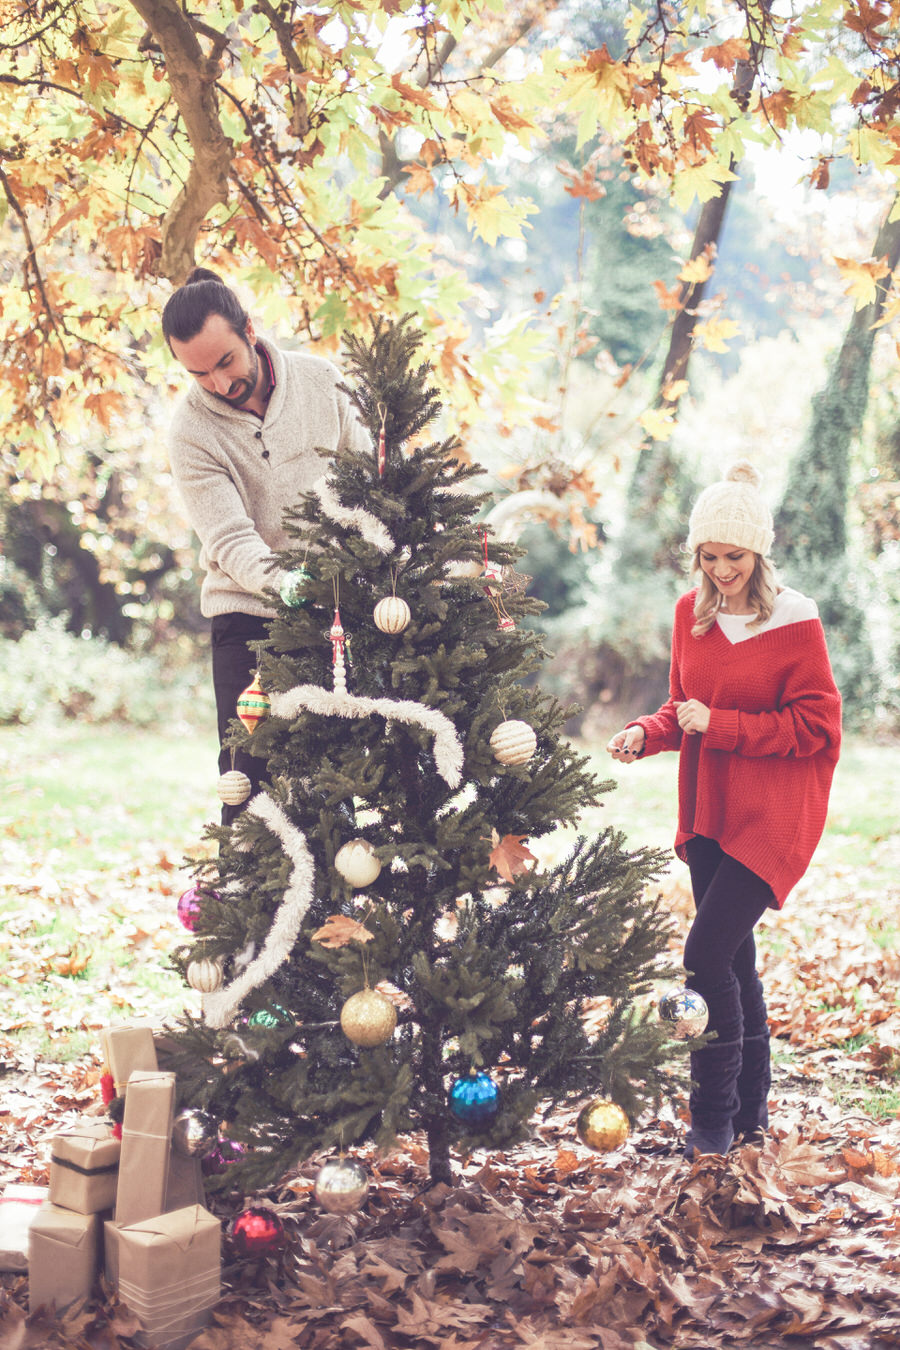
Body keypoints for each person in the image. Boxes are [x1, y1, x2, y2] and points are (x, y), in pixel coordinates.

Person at [607, 461, 842, 1158]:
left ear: (759, 553)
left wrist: (726, 724)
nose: (719, 569)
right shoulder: (691, 613)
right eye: (707, 557)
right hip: (709, 809)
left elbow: (818, 728)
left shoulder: (795, 621)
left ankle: (711, 1120)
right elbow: (684, 711)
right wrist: (645, 733)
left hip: (772, 812)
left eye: (732, 557)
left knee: (703, 952)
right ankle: (752, 1115)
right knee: (735, 964)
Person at [162, 267, 371, 823]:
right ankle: (245, 904)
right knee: (247, 780)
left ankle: (335, 909)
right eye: (198, 373)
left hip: (335, 611)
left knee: (333, 779)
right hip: (247, 615)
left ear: (249, 330)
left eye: (225, 361)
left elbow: (369, 481)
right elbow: (228, 535)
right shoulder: (188, 431)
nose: (218, 383)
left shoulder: (322, 382)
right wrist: (284, 583)